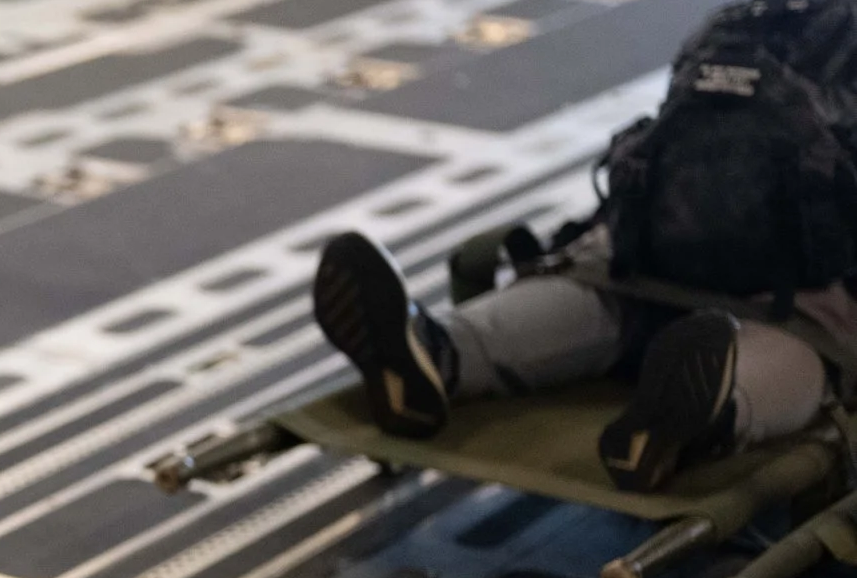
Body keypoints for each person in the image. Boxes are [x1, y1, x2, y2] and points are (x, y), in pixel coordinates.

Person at [311, 226, 857, 495]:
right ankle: (699, 421)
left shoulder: (774, 28)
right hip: (795, 291)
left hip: (650, 255)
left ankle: (439, 356)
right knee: (812, 341)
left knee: (596, 289)